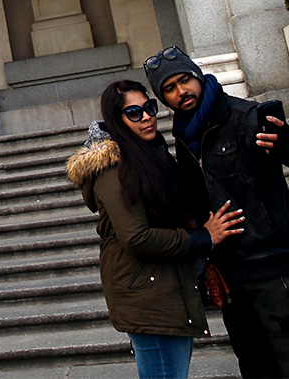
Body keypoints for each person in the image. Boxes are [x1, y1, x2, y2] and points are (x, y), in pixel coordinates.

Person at [144, 46, 289, 378]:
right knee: (255, 366)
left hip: (273, 266)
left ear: (198, 77)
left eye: (185, 81)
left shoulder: (244, 116)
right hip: (230, 274)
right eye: (169, 89)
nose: (181, 92)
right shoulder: (183, 136)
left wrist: (288, 141)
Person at [68, 80, 244, 379]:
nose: (147, 116)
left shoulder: (149, 155)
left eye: (149, 108)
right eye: (134, 113)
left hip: (164, 287)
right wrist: (204, 237)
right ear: (117, 120)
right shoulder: (116, 166)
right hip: (147, 294)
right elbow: (136, 237)